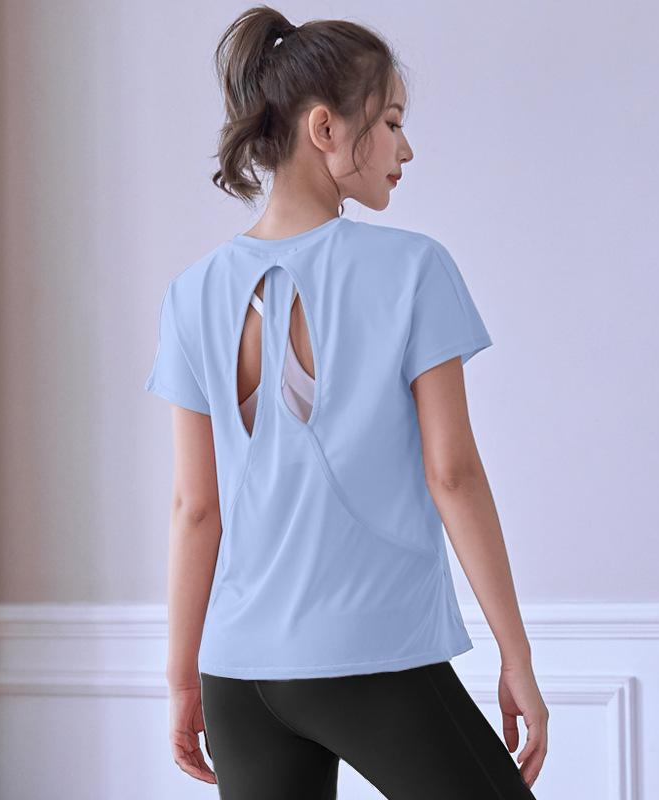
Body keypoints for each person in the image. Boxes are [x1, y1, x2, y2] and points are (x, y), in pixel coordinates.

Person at [144, 5, 548, 798]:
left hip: (238, 675)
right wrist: (517, 657)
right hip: (371, 656)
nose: (406, 149)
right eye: (391, 122)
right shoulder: (413, 269)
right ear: (325, 128)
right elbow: (454, 475)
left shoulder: (190, 295)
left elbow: (196, 508)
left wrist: (182, 676)